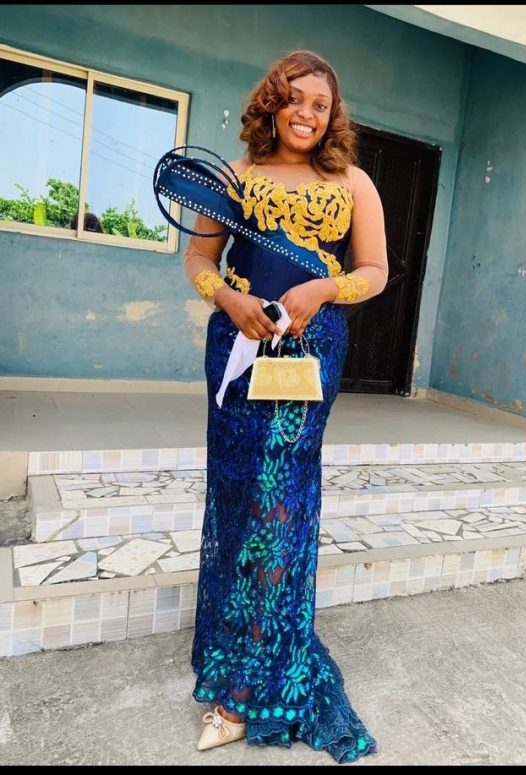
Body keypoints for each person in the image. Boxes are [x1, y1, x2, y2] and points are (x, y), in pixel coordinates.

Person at [179, 50, 388, 763]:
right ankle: (236, 646)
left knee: (281, 503)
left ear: (333, 116)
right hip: (238, 348)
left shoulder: (353, 182)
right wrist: (227, 299)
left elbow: (374, 271)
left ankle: (248, 687)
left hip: (309, 352)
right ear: (271, 102)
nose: (307, 113)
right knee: (238, 497)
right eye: (294, 99)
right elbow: (199, 261)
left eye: (320, 105)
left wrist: (324, 289)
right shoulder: (233, 177)